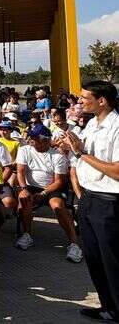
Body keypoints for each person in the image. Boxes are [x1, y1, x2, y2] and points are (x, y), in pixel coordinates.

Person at [60, 81, 119, 322]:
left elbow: (116, 171)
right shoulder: (92, 124)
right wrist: (69, 145)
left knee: (112, 260)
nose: (80, 102)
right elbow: (80, 152)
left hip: (109, 203)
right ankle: (108, 306)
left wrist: (81, 153)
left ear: (102, 100)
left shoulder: (117, 126)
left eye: (85, 98)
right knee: (95, 258)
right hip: (89, 198)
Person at [15, 123, 83, 263]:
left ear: (46, 140)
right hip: (30, 186)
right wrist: (23, 188)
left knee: (57, 205)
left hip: (52, 188)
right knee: (24, 199)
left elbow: (60, 181)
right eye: (31, 137)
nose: (31, 141)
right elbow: (20, 171)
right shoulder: (24, 150)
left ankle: (74, 243)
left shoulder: (57, 156)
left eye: (35, 138)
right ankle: (27, 234)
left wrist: (43, 194)